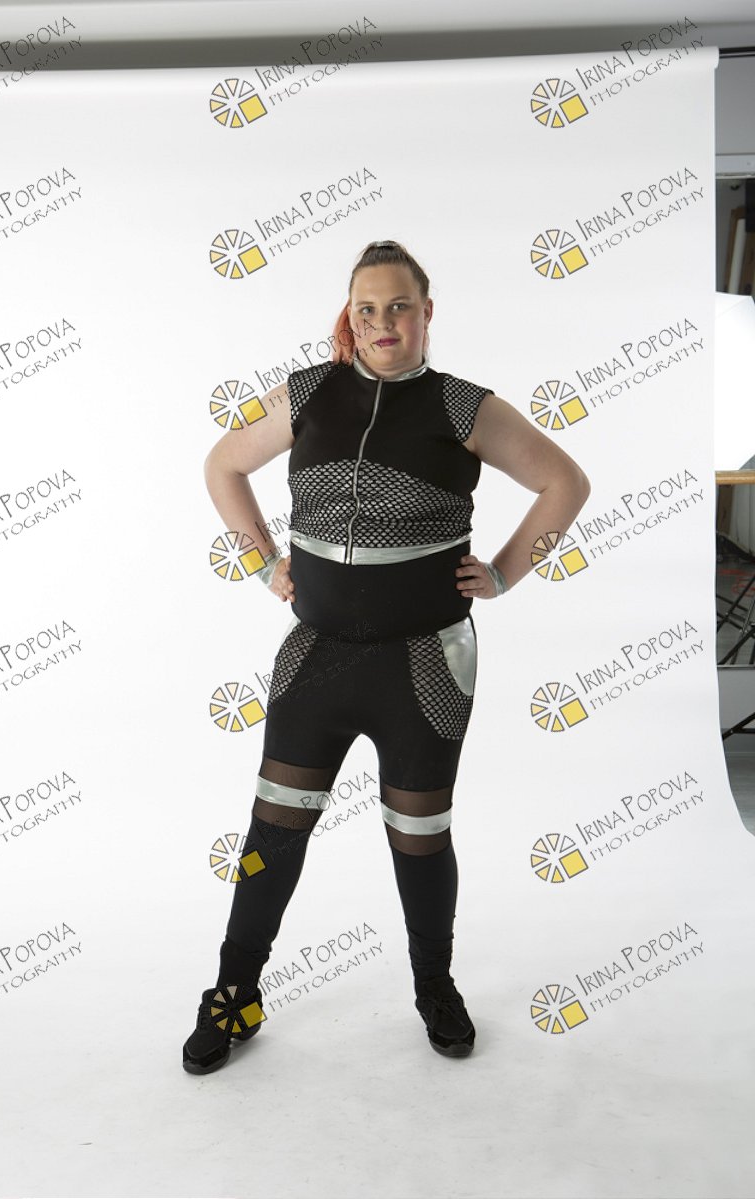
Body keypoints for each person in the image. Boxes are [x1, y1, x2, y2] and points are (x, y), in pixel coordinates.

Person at [183, 239, 591, 1073]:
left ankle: (434, 984)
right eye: (366, 308)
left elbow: (565, 483)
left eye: (399, 306)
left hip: (425, 662)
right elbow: (223, 463)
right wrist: (263, 561)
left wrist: (504, 573)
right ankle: (233, 990)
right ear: (351, 314)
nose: (382, 323)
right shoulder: (309, 392)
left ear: (426, 312)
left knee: (419, 834)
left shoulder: (461, 405)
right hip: (318, 655)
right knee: (272, 829)